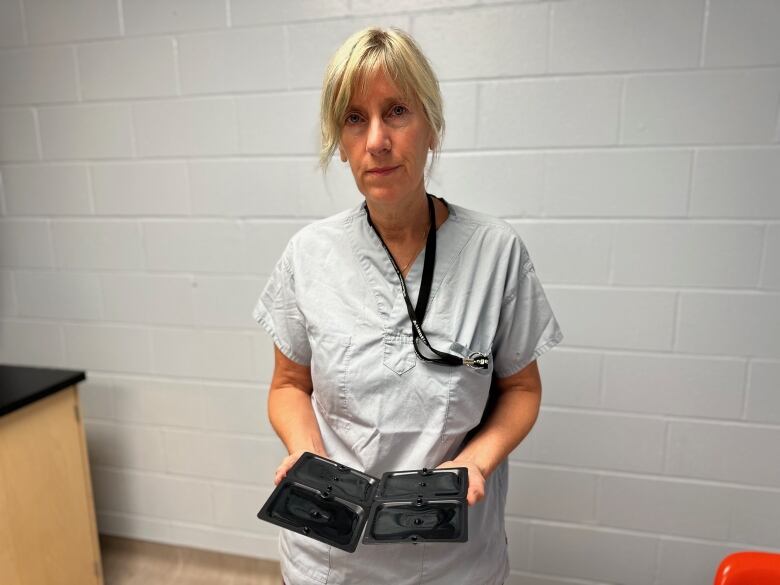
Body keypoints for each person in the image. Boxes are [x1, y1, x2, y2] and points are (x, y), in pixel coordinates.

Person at [252, 26, 563, 585]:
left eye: (396, 111)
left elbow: (522, 389)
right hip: (330, 557)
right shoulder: (309, 255)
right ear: (340, 140)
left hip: (453, 563)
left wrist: (478, 459)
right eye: (354, 118)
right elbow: (288, 385)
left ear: (432, 127)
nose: (376, 140)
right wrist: (305, 450)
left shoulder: (495, 253)